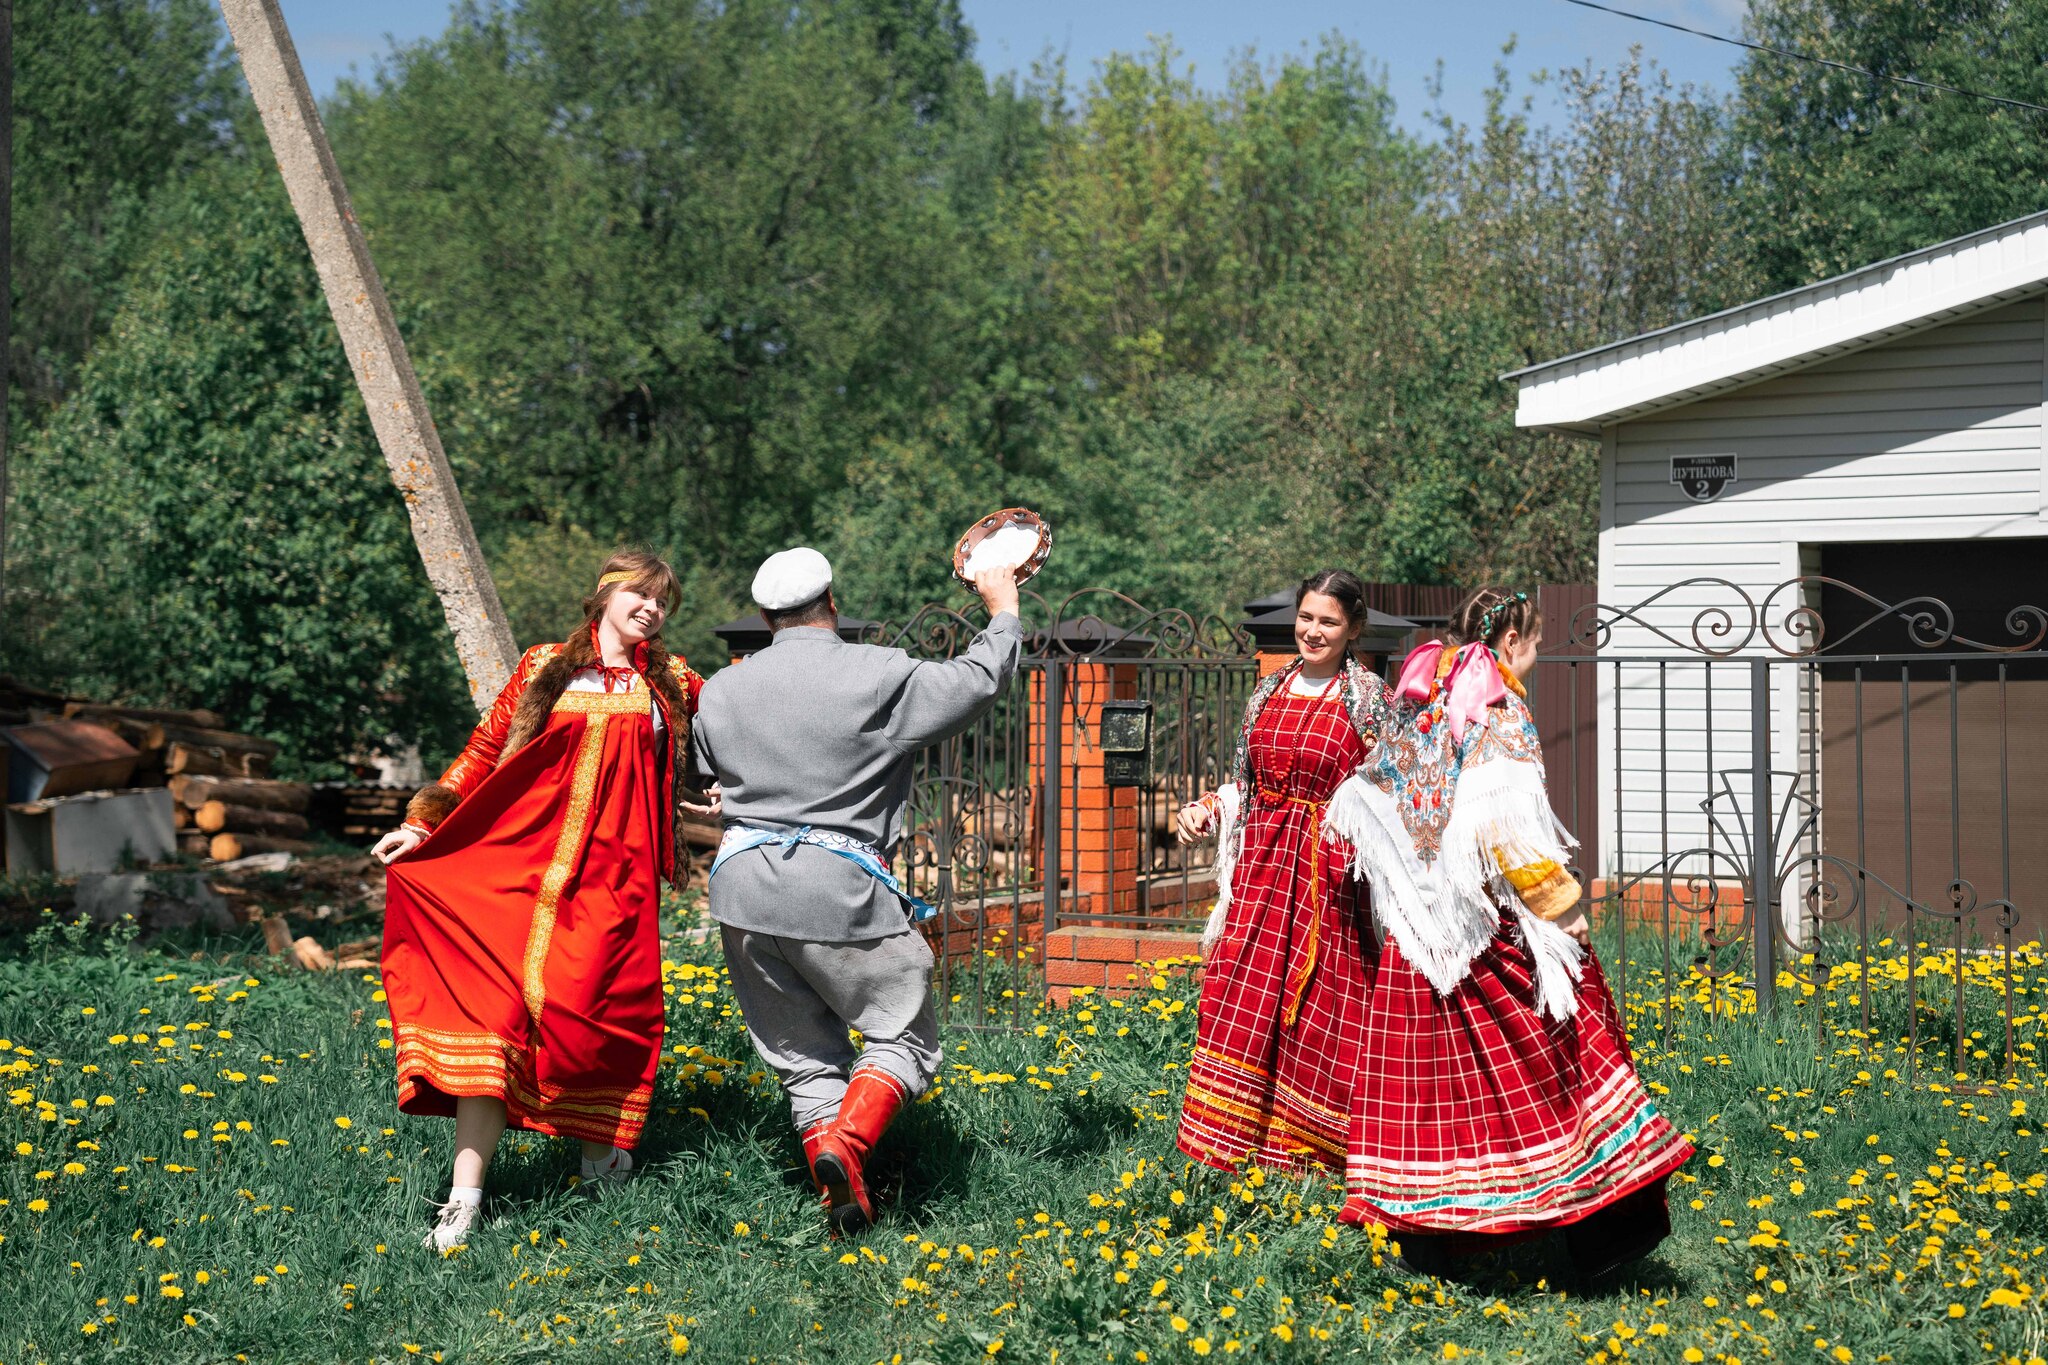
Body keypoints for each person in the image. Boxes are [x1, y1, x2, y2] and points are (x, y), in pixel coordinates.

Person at [1327, 587, 1692, 1277]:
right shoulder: (1494, 704)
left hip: (1416, 935)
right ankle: (1600, 1235)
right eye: (1535, 639)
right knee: (1571, 1057)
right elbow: (1508, 828)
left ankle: (1432, 1247)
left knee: (1429, 1094)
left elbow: (1370, 795)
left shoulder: (1420, 697)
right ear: (1515, 638)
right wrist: (1562, 909)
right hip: (1485, 929)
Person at [372, 549, 707, 1254]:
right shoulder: (543, 666)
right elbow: (484, 750)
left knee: (592, 1018)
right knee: (493, 1023)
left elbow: (734, 729)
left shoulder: (673, 682)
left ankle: (599, 1165)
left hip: (613, 884)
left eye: (663, 601)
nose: (651, 608)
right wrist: (420, 822)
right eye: (640, 594)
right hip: (516, 873)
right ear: (605, 594)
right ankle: (464, 1200)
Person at [692, 547, 1023, 1234]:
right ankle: (848, 1142)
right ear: (833, 605)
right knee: (905, 1033)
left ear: (763, 617)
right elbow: (977, 681)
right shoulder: (876, 673)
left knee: (804, 1057)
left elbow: (703, 774)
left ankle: (842, 1194)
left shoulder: (721, 688)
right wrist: (1003, 610)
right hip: (836, 887)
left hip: (742, 893)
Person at [1172, 570, 1392, 1179]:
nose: (1313, 631)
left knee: (1324, 1003)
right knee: (1239, 991)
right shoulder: (1268, 691)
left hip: (1332, 883)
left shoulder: (1371, 698)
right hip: (1263, 873)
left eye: (1329, 621)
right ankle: (1221, 1151)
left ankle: (1308, 1159)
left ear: (1352, 630)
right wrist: (1207, 810)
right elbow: (1244, 783)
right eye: (1306, 618)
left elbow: (1391, 792)